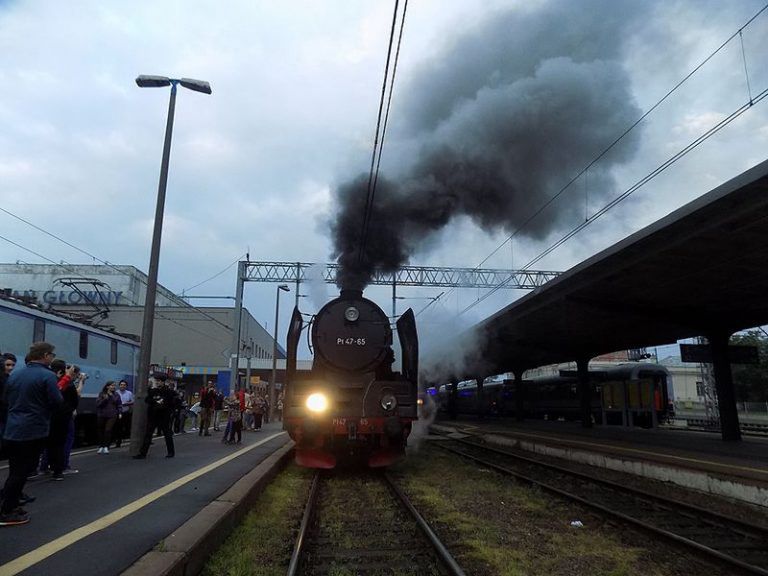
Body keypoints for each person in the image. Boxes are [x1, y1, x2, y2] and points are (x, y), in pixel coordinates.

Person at [0, 342, 62, 526]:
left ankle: (10, 504)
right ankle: (7, 511)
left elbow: (6, 399)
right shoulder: (48, 376)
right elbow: (57, 402)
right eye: (51, 355)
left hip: (13, 428)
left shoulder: (15, 374)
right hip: (33, 429)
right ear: (45, 355)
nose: (52, 358)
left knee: (15, 470)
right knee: (22, 472)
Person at [133, 377, 177, 459]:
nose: (157, 383)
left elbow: (173, 402)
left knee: (167, 434)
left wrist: (167, 407)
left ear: (163, 382)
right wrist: (155, 401)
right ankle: (143, 453)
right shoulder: (153, 391)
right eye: (157, 381)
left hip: (164, 415)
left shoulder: (169, 392)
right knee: (148, 434)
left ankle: (171, 452)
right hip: (153, 415)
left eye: (159, 381)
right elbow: (147, 400)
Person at [95, 381, 121, 454]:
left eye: (114, 386)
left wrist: (119, 413)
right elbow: (98, 404)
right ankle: (101, 446)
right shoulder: (102, 394)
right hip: (102, 414)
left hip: (112, 415)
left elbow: (118, 403)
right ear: (107, 386)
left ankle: (106, 446)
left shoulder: (116, 394)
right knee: (100, 430)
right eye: (112, 385)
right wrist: (104, 399)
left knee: (108, 430)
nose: (113, 387)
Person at [115, 380, 134, 448]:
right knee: (118, 427)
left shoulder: (129, 393)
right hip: (118, 412)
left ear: (126, 386)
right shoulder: (116, 393)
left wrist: (127, 403)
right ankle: (118, 442)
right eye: (121, 385)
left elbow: (132, 401)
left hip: (126, 412)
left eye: (124, 385)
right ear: (119, 385)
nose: (122, 386)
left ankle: (128, 439)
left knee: (127, 427)